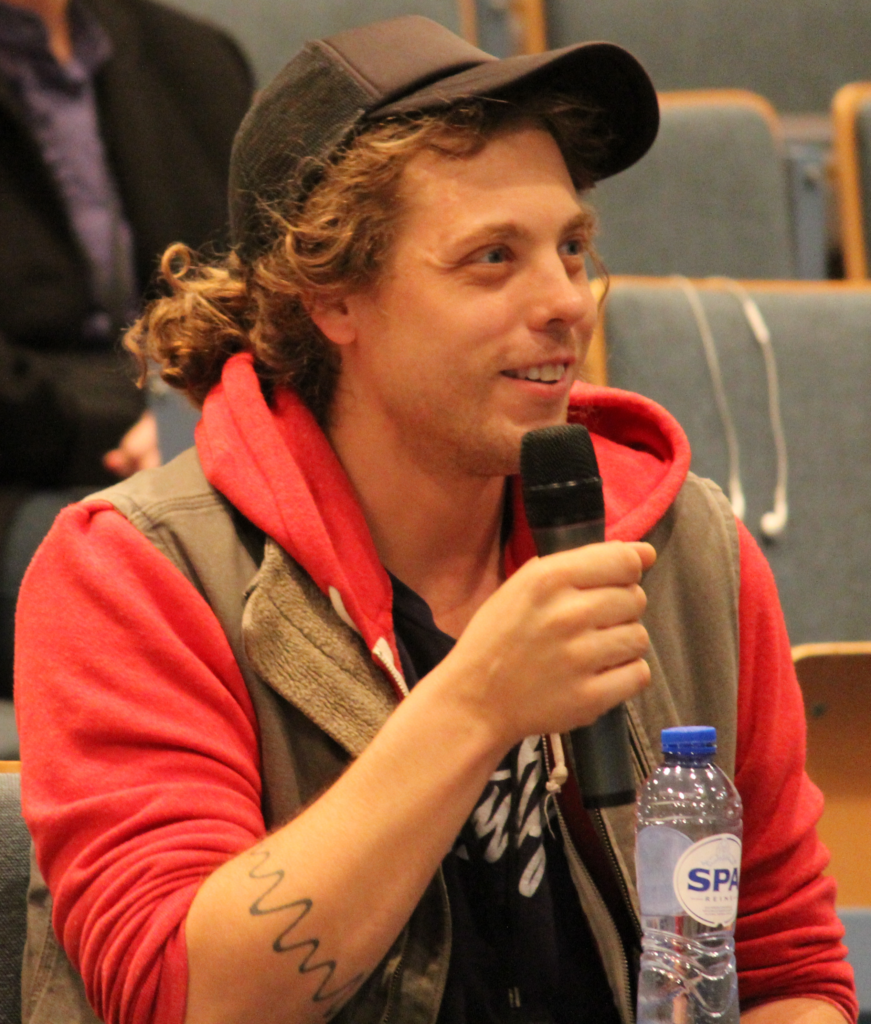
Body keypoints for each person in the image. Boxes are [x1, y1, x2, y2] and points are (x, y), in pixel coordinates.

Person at [14, 14, 857, 1024]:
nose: (566, 302)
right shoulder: (138, 572)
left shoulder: (682, 550)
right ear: (332, 296)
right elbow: (187, 1000)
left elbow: (787, 970)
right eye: (493, 257)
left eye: (572, 246)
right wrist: (475, 705)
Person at [0, 0, 254, 704]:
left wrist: (189, 417)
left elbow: (259, 292)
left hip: (203, 445)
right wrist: (140, 418)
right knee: (180, 582)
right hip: (19, 485)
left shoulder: (196, 59)